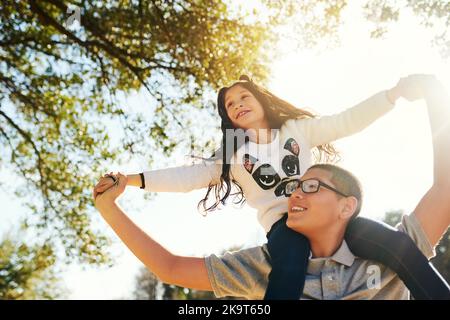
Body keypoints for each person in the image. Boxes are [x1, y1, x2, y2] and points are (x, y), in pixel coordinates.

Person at [94, 74, 447, 299]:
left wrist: (393, 94)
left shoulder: (297, 130)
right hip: (286, 229)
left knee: (398, 245)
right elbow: (186, 177)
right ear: (228, 118)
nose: (237, 105)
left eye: (243, 97)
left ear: (260, 100)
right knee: (289, 268)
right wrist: (134, 180)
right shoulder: (232, 154)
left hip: (332, 220)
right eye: (230, 105)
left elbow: (346, 121)